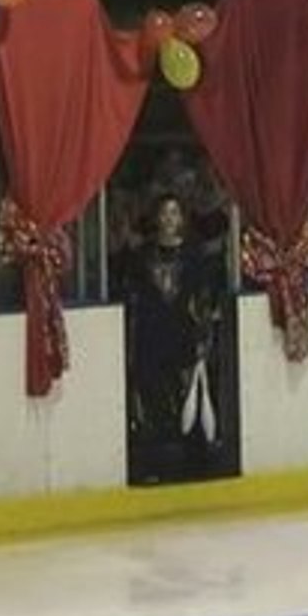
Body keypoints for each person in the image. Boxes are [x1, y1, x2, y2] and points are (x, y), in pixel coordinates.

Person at [124, 192, 221, 485]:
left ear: (182, 218)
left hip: (184, 334)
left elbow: (203, 296)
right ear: (156, 217)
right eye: (164, 213)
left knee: (187, 394)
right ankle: (156, 463)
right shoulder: (142, 255)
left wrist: (203, 333)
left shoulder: (194, 253)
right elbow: (133, 296)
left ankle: (196, 462)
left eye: (174, 213)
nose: (169, 218)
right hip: (151, 337)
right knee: (154, 400)